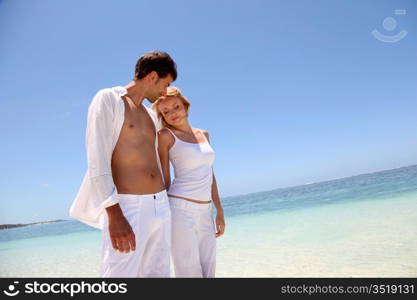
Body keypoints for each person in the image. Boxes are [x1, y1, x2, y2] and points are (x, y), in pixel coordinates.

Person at [69, 51, 177, 277]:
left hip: (160, 204)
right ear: (153, 76)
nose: (164, 92)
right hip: (128, 207)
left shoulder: (151, 115)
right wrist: (114, 214)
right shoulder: (109, 99)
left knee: (158, 274)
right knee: (118, 275)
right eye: (165, 84)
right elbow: (96, 158)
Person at [152, 87, 225, 277]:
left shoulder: (204, 134)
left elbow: (210, 174)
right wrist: (161, 213)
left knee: (209, 268)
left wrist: (219, 210)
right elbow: (165, 177)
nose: (172, 114)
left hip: (205, 210)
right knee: (188, 271)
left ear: (185, 106)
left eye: (175, 107)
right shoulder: (165, 136)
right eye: (165, 112)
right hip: (179, 209)